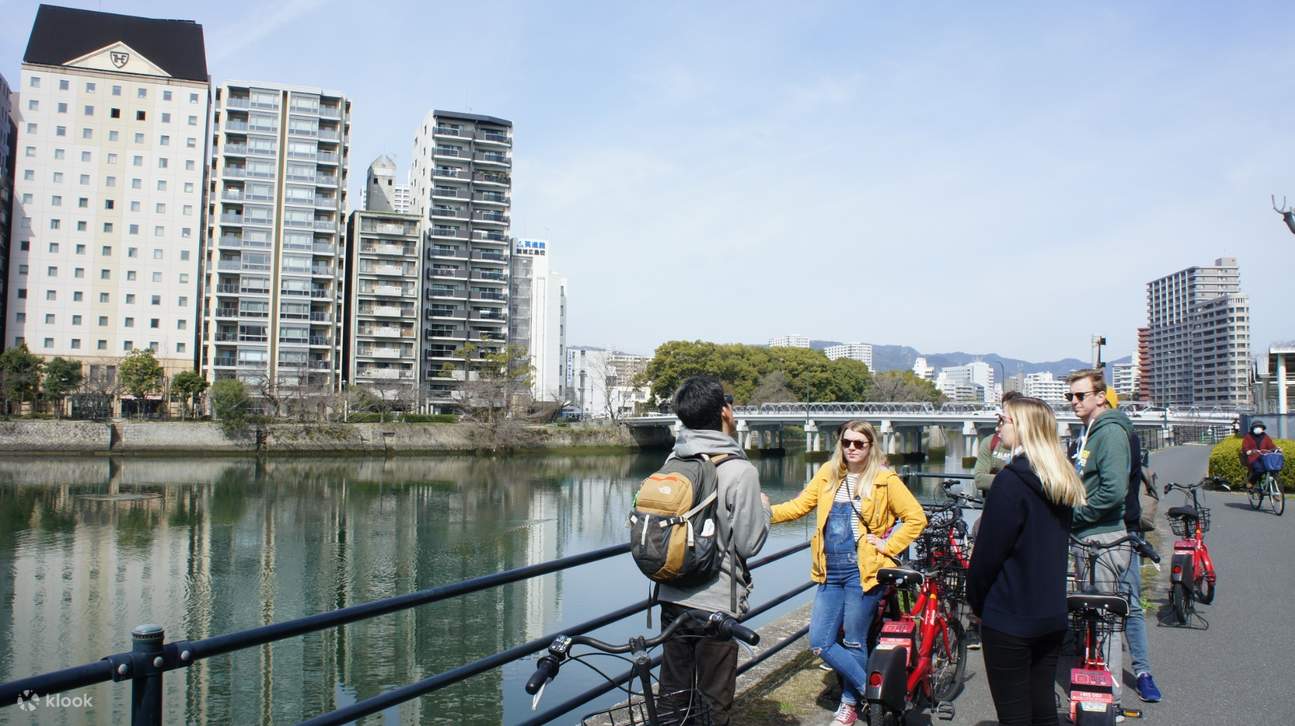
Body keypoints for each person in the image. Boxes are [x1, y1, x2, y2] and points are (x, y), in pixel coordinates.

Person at [770, 421, 927, 725]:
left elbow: (915, 518)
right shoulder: (829, 474)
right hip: (829, 570)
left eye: (859, 443)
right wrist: (764, 513)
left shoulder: (884, 479)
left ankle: (850, 704)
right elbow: (799, 506)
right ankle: (878, 695)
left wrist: (887, 544)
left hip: (863, 571)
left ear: (871, 447)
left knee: (855, 640)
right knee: (820, 640)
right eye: (846, 442)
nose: (851, 448)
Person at [656, 377, 772, 725]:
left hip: (672, 593)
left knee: (674, 696)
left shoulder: (673, 459)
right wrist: (764, 508)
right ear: (725, 411)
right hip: (716, 605)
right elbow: (749, 544)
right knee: (712, 701)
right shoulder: (740, 471)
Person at [968, 396, 1087, 726]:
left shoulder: (1010, 482)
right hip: (1050, 614)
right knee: (1043, 711)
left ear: (1022, 427)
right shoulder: (1060, 480)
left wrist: (975, 602)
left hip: (1009, 616)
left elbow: (987, 556)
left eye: (1003, 420)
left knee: (1014, 715)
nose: (999, 426)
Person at [1066, 369, 1134, 711]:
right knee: (1092, 620)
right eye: (1070, 397)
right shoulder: (1088, 432)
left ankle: (1110, 703)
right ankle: (1096, 696)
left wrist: (1074, 516)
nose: (1074, 402)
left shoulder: (1109, 433)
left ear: (1100, 396)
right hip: (1085, 537)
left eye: (1080, 396)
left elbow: (1112, 491)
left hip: (1103, 538)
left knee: (1104, 621)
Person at [1104, 389, 1161, 704]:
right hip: (1094, 534)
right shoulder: (1085, 440)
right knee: (1096, 605)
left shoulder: (1124, 437)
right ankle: (1098, 674)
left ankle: (1142, 672)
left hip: (1126, 528)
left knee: (1132, 605)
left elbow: (1117, 488)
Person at [1241, 419, 1277, 488]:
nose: (1258, 428)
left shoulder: (1265, 436)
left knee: (1273, 470)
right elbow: (1245, 447)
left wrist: (1276, 449)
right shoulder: (1248, 436)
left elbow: (1271, 446)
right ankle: (1251, 482)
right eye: (1256, 427)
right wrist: (1249, 451)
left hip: (1265, 457)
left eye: (1260, 427)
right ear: (1253, 428)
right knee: (1259, 470)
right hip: (1253, 458)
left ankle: (1274, 489)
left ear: (1263, 428)